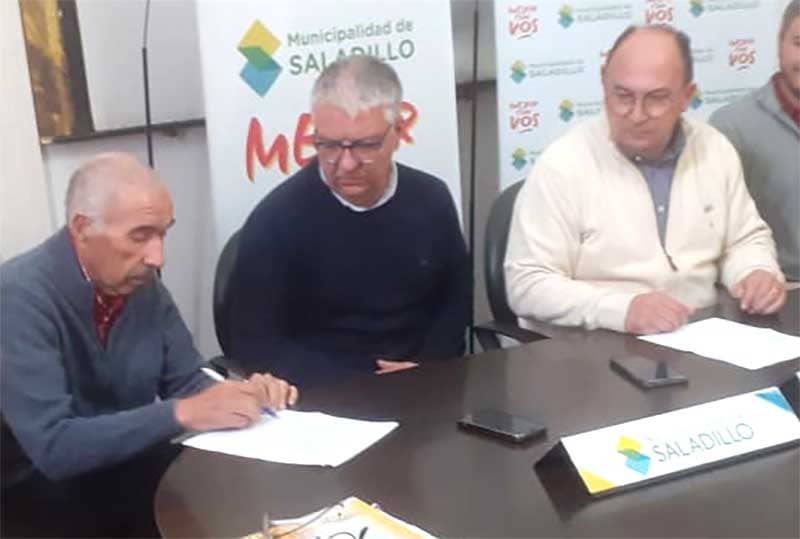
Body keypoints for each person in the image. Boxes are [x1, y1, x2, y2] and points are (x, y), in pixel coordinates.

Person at [0, 153, 298, 538]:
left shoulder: (142, 287)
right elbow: (53, 447)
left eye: (163, 234)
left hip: (128, 465)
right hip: (40, 492)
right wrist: (183, 413)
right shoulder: (18, 297)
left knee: (249, 506)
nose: (158, 257)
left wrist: (242, 393)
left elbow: (187, 380)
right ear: (82, 228)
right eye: (139, 236)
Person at [504, 25, 786, 335]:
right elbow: (527, 284)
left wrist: (754, 271)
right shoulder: (563, 164)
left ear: (687, 96)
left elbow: (744, 239)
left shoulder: (713, 149)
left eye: (656, 98)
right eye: (623, 96)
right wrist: (621, 309)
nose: (637, 114)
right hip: (592, 348)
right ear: (604, 84)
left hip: (698, 337)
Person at [228, 55, 470, 387]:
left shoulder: (431, 199)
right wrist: (359, 386)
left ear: (398, 133)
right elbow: (253, 341)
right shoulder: (277, 220)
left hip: (421, 382)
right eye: (328, 145)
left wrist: (427, 366)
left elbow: (455, 299)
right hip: (324, 392)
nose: (345, 164)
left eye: (365, 146)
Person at [710, 0, 800, 285]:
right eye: (799, 43)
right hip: (777, 291)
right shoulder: (731, 126)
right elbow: (717, 232)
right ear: (779, 44)